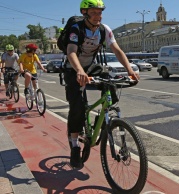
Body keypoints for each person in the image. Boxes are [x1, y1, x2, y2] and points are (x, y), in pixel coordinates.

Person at [64, 0, 140, 168]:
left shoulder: (104, 30)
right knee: (77, 108)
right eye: (94, 13)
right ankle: (75, 145)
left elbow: (117, 50)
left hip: (91, 67)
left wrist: (129, 70)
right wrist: (79, 71)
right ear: (85, 13)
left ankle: (106, 112)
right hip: (73, 68)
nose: (98, 16)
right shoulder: (76, 29)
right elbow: (71, 51)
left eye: (100, 13)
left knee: (109, 79)